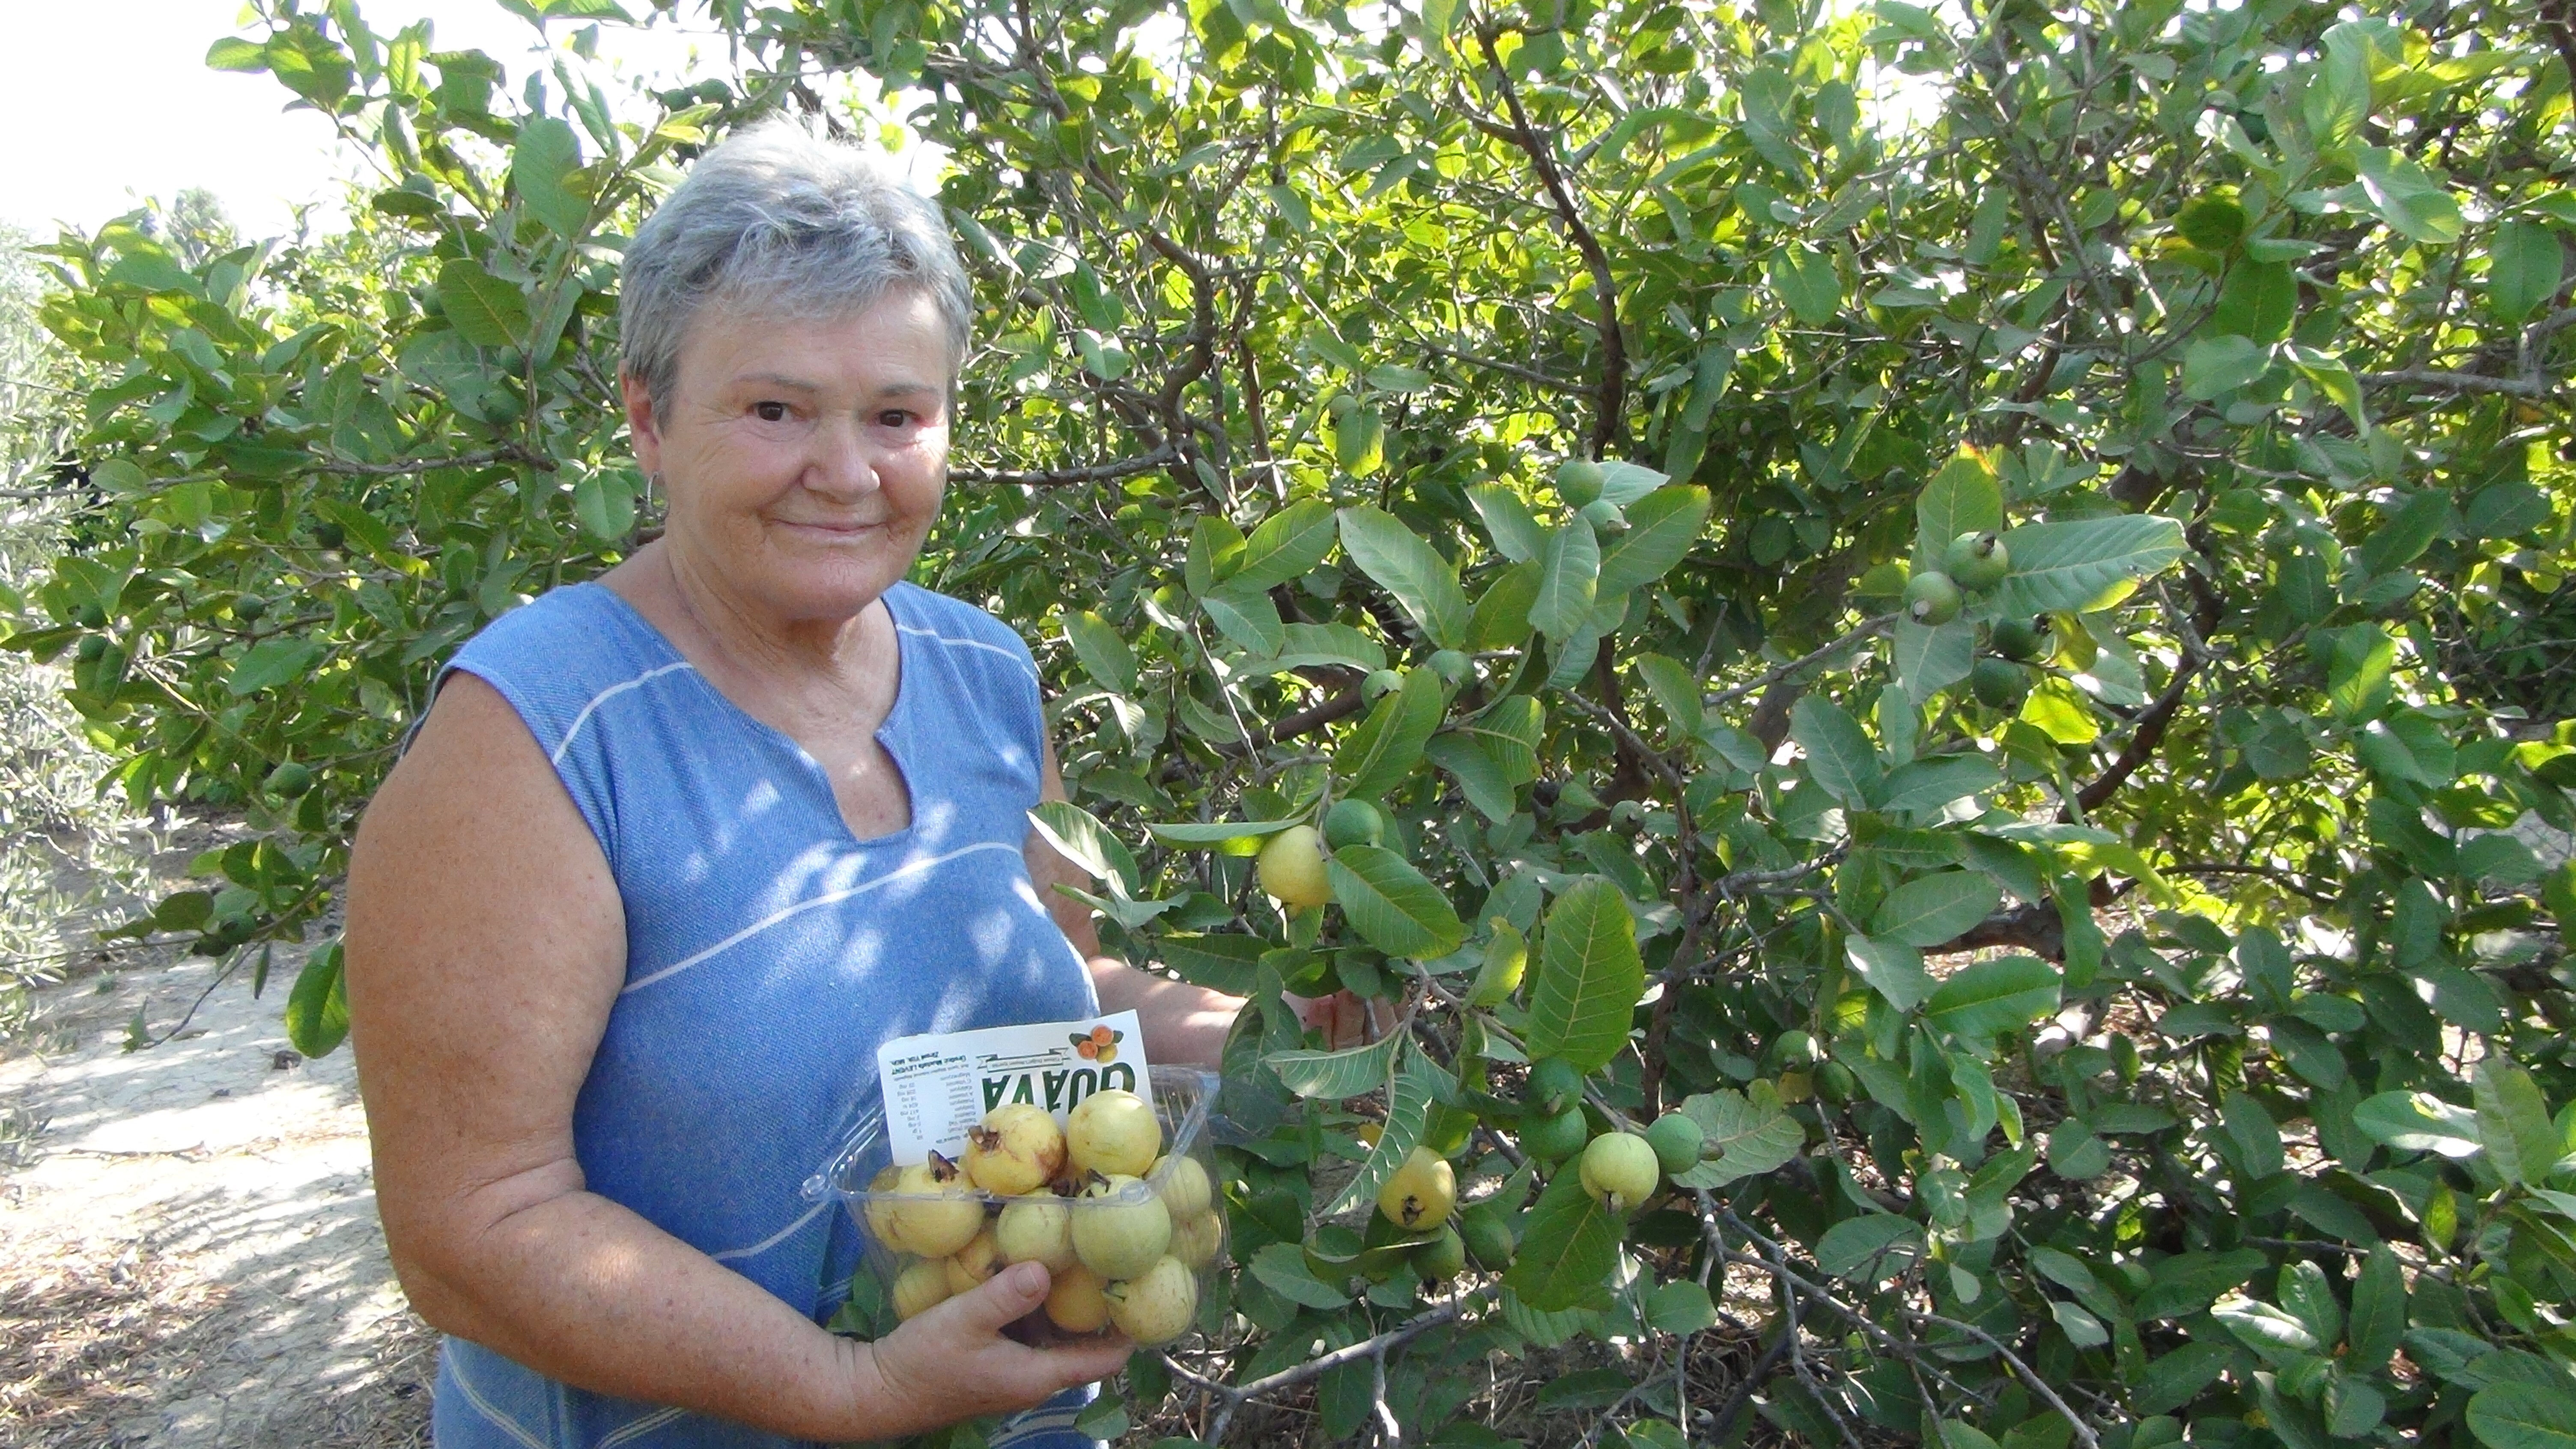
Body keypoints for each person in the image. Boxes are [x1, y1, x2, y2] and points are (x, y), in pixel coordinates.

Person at [343, 119, 1372, 1448]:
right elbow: (471, 1230)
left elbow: (1058, 1015)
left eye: (897, 416)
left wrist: (1300, 1033)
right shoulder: (536, 737)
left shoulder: (983, 671)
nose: (845, 472)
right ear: (649, 418)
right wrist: (851, 1392)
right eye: (775, 410)